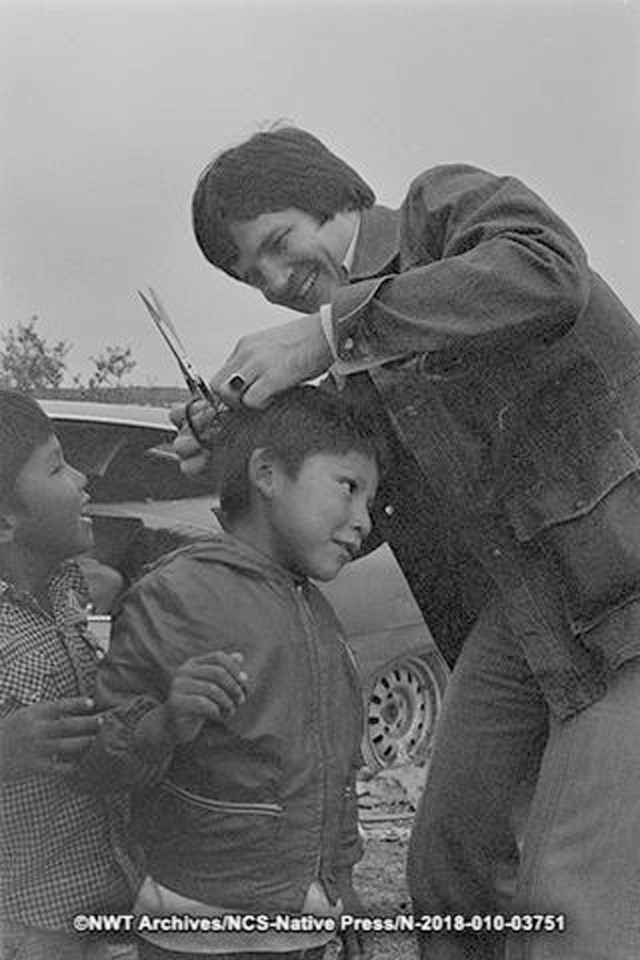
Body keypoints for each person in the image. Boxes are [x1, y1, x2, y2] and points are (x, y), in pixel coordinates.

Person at [171, 125, 640, 960]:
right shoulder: (361, 362)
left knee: (570, 899)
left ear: (336, 197)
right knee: (447, 873)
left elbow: (549, 274)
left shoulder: (441, 208)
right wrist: (247, 454)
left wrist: (330, 331)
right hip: (526, 612)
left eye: (279, 244)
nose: (276, 282)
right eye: (254, 277)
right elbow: (358, 515)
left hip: (624, 587)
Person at [93, 386, 378, 960]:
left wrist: (340, 897)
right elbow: (100, 763)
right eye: (348, 488)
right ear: (268, 473)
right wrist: (169, 719)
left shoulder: (317, 612)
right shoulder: (175, 595)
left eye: (370, 501)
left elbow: (333, 780)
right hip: (198, 930)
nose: (363, 521)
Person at [0, 389, 247, 960]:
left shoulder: (69, 591)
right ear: (5, 521)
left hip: (105, 898)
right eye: (58, 466)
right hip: (22, 924)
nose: (85, 478)